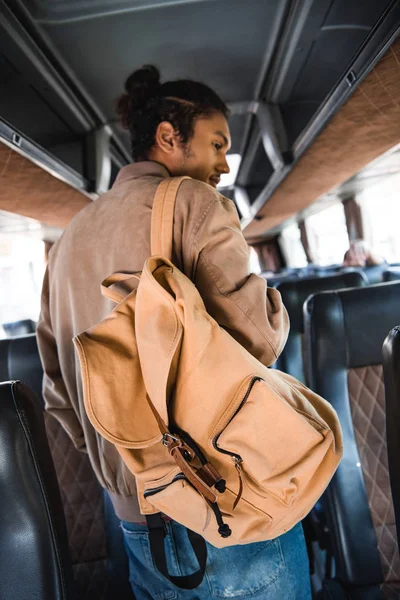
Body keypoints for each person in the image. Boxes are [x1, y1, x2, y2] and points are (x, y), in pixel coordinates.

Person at [37, 65, 311, 599]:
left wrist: (125, 456)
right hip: (223, 498)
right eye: (216, 144)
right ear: (169, 135)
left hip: (135, 517)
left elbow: (59, 391)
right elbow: (257, 338)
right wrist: (277, 303)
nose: (224, 165)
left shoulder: (67, 238)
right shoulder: (194, 204)